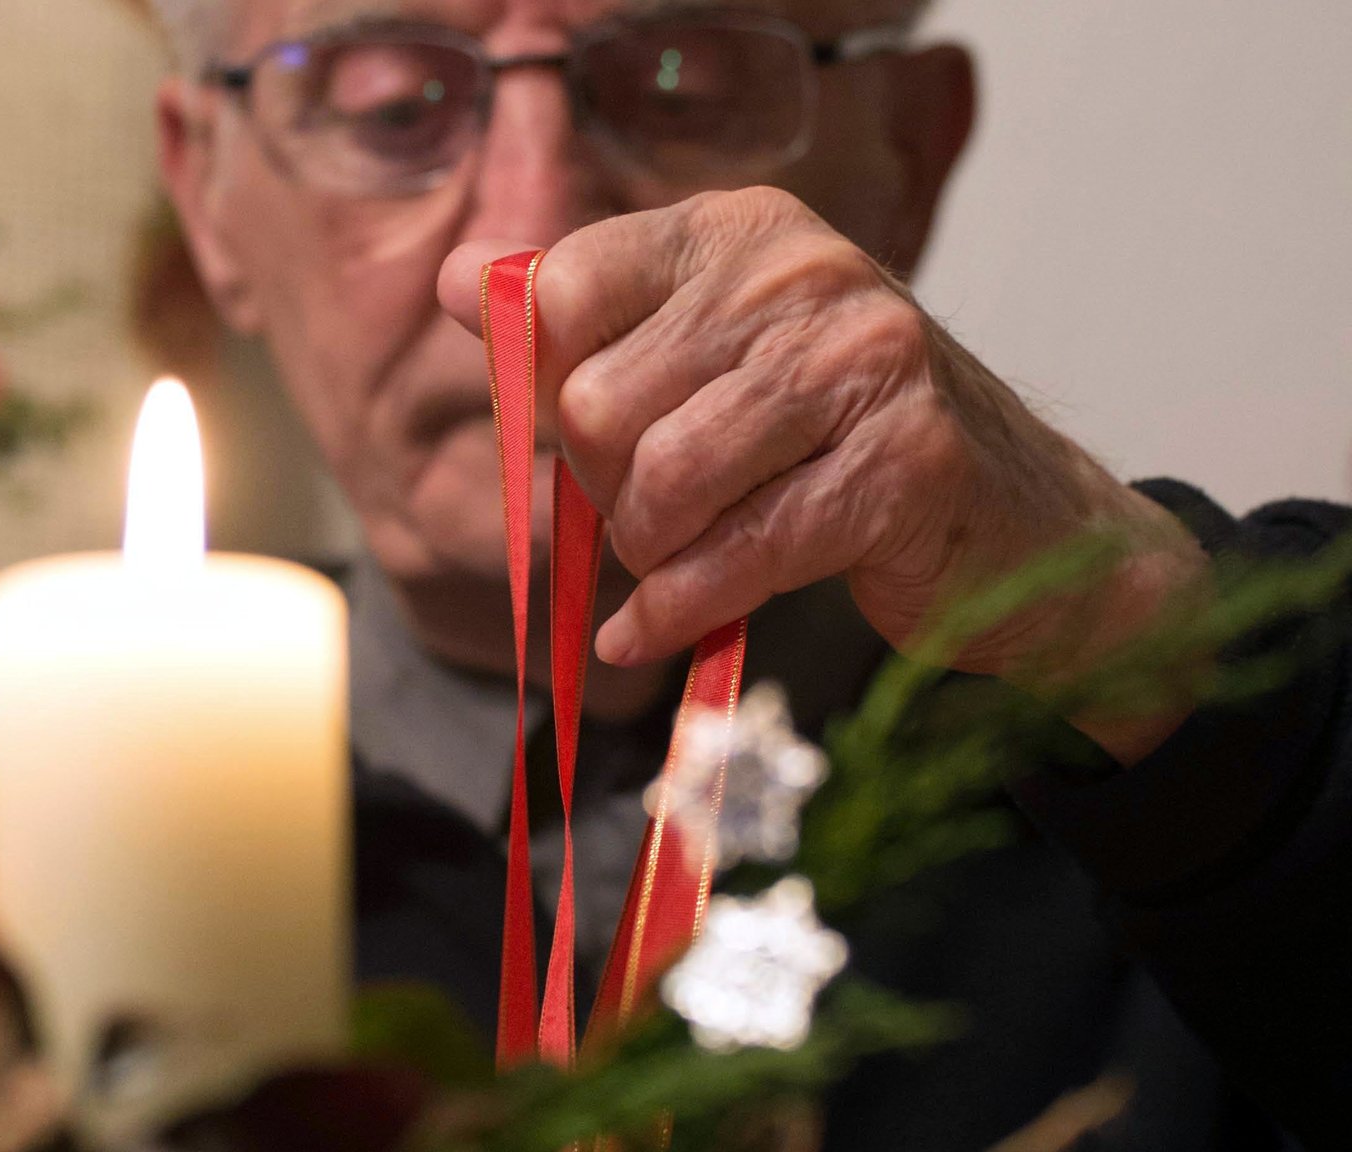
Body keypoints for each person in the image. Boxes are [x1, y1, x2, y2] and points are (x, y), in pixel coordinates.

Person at [145, 0, 1351, 1146]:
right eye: (393, 106)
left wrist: (1131, 620)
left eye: (682, 82)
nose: (534, 230)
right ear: (206, 194)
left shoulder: (1176, 759)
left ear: (909, 151)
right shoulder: (33, 889)